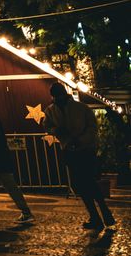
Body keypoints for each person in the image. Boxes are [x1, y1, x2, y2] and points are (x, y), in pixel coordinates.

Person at [45, 82, 116, 232]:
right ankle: (101, 214)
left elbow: (91, 127)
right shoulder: (55, 110)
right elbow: (48, 126)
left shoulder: (77, 108)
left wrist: (78, 140)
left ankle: (99, 215)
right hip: (73, 149)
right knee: (83, 183)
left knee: (85, 182)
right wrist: (57, 131)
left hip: (82, 149)